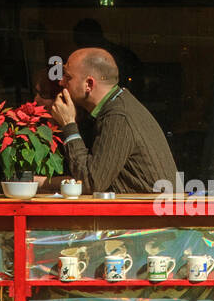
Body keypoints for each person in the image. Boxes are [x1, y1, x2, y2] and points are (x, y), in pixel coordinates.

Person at [45, 47, 176, 194]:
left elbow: (90, 182)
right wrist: (41, 183)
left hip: (152, 215)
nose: (61, 82)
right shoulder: (118, 107)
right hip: (147, 213)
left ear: (89, 84)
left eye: (68, 77)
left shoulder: (118, 117)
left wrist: (68, 124)